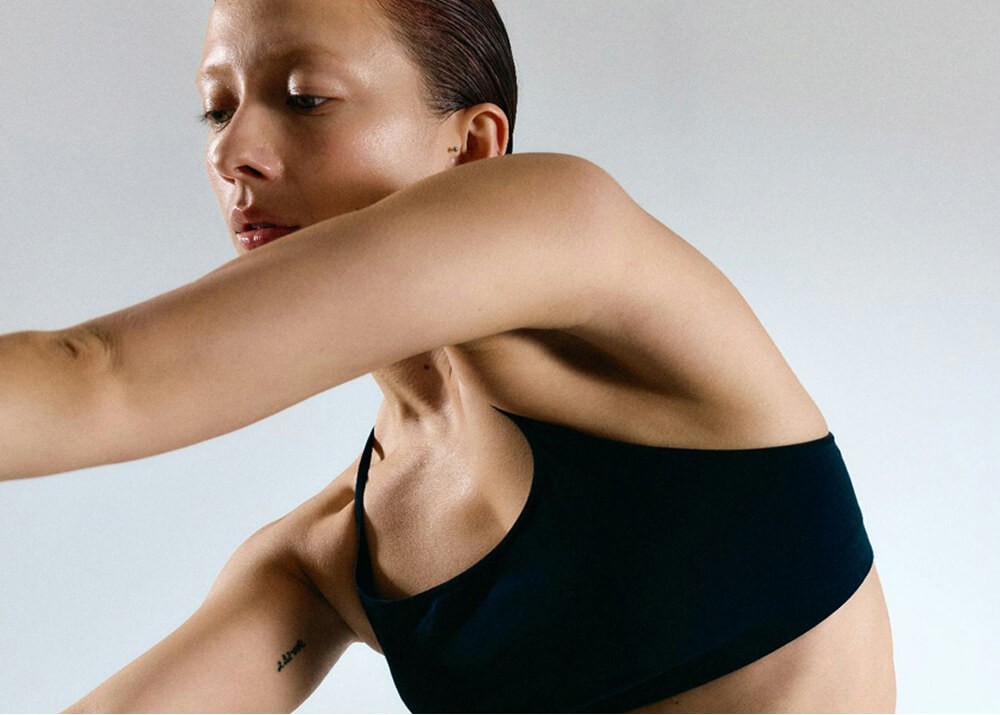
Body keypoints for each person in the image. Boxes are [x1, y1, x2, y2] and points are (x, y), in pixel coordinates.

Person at [0, 0, 895, 711]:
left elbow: (103, 378)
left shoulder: (574, 225)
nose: (232, 152)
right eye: (217, 107)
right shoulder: (330, 555)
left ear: (472, 147)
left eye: (305, 97)